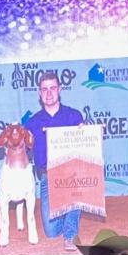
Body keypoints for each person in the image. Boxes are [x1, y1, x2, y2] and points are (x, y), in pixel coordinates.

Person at [27, 70, 87, 245]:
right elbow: (24, 151)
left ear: (59, 89)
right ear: (39, 93)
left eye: (52, 88)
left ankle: (70, 234)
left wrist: (87, 134)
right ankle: (65, 209)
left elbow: (86, 146)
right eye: (44, 89)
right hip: (48, 176)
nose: (49, 93)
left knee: (78, 188)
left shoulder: (74, 116)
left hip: (72, 175)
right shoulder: (32, 122)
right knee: (51, 232)